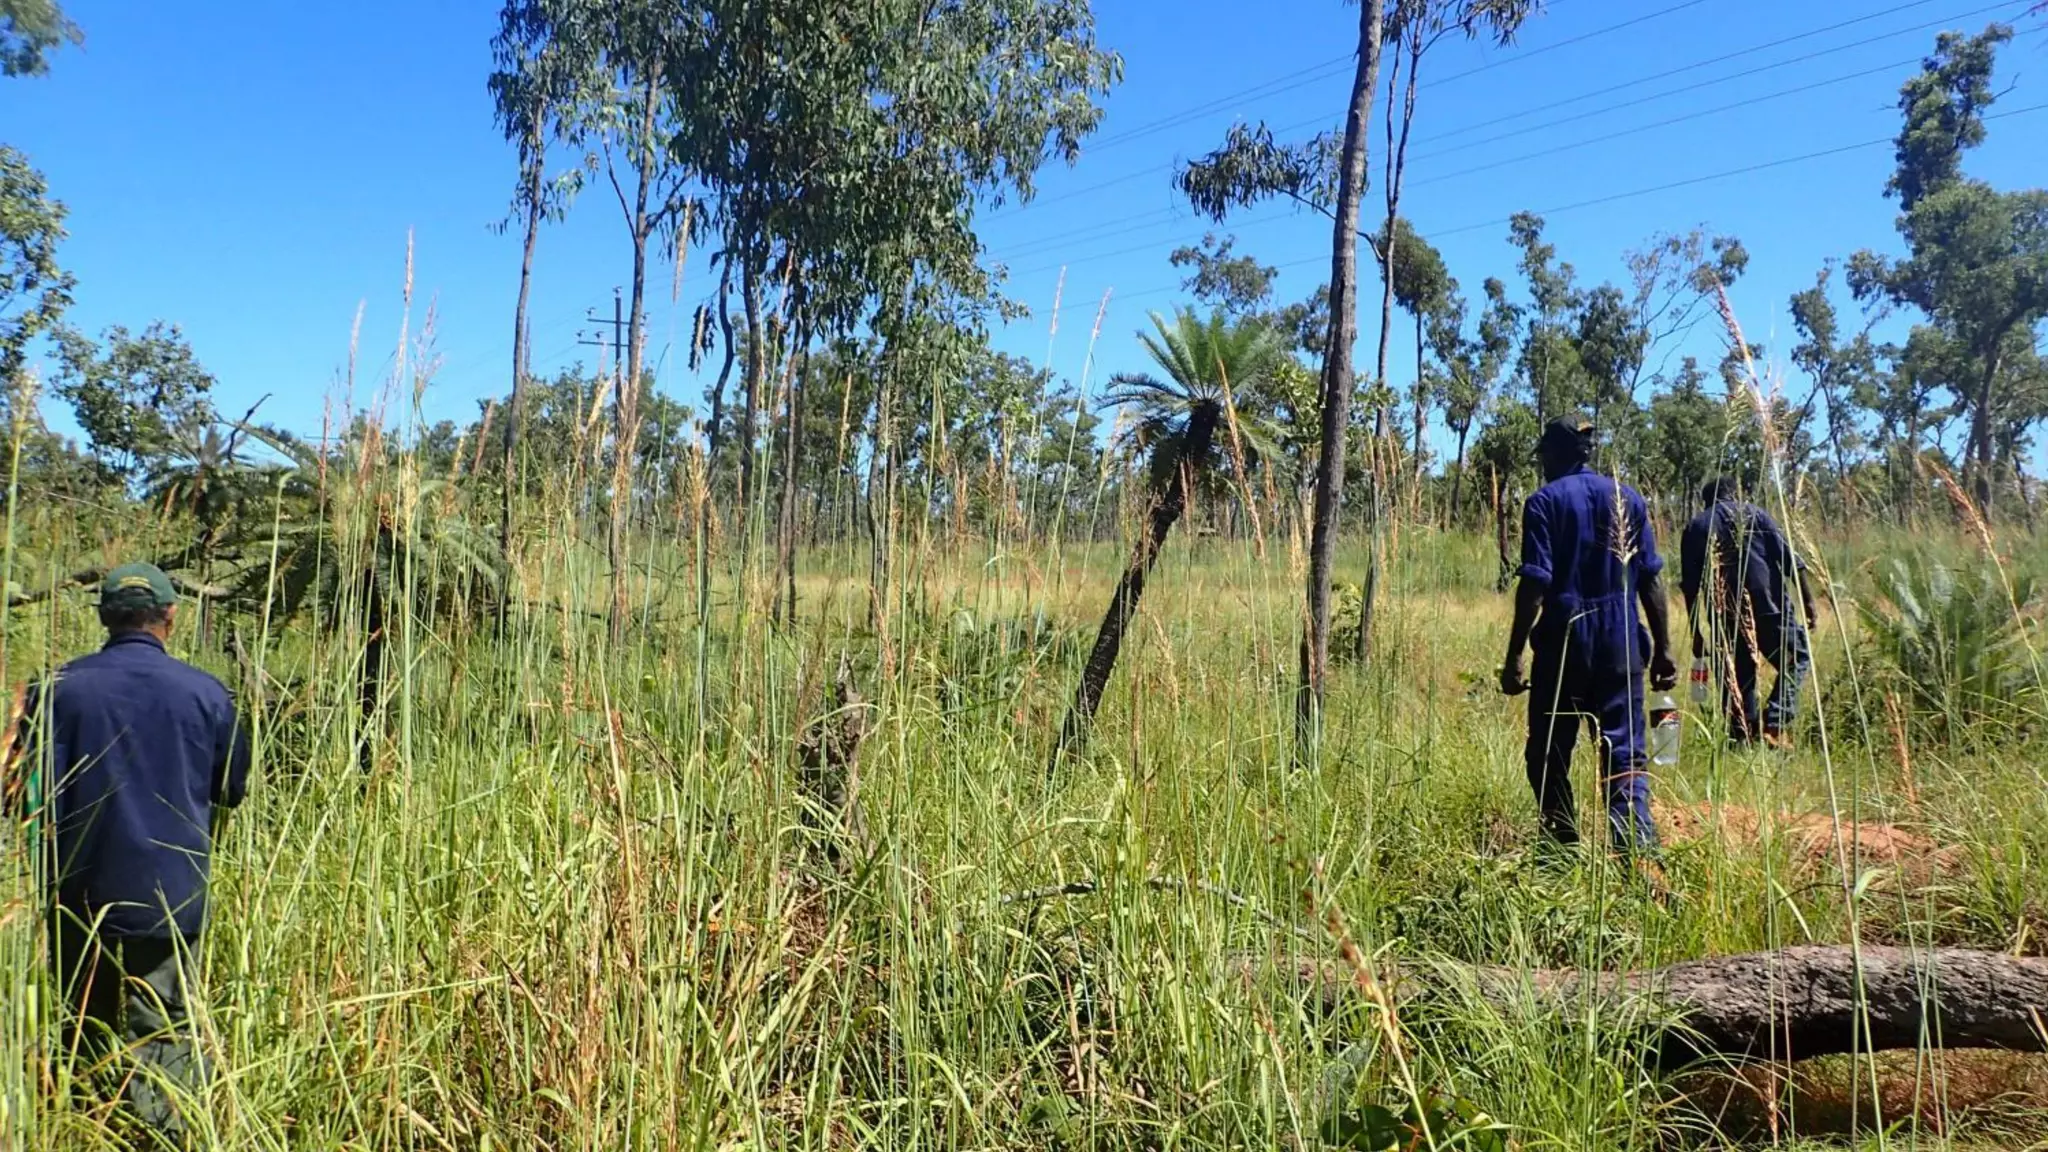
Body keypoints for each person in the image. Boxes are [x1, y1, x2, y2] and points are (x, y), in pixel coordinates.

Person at [11, 562, 251, 1145]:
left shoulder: (55, 689)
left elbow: (15, 790)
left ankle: (84, 1124)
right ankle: (160, 1133)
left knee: (81, 1015)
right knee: (164, 1024)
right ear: (170, 615)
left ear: (103, 617)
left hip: (78, 888)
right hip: (170, 891)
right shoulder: (208, 693)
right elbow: (231, 790)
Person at [1500, 418, 1677, 853]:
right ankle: (1635, 853)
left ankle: (1560, 847)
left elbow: (1535, 585)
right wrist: (1664, 650)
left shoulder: (1543, 503)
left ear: (1559, 453)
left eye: (1544, 454)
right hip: (1622, 644)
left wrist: (1514, 654)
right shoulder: (1629, 500)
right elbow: (1650, 581)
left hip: (1564, 646)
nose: (1542, 463)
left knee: (1548, 753)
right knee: (1624, 752)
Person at [1679, 478, 1816, 748]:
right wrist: (1809, 601)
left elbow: (1690, 587)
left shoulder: (1696, 527)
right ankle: (1775, 721)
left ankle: (1743, 737)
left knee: (1740, 674)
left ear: (1706, 501)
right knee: (1796, 658)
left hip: (1725, 615)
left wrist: (1696, 633)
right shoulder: (1756, 514)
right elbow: (1789, 561)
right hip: (1769, 607)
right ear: (1734, 494)